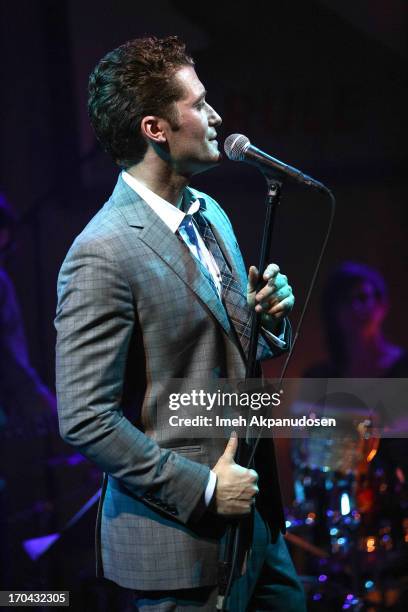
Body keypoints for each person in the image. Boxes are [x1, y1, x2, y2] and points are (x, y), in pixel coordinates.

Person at [55, 36, 305, 610]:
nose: (216, 116)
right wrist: (208, 489)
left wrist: (267, 320)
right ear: (155, 129)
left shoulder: (208, 211)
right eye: (198, 104)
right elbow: (85, 419)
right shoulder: (102, 252)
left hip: (260, 523)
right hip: (182, 543)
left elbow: (223, 351)